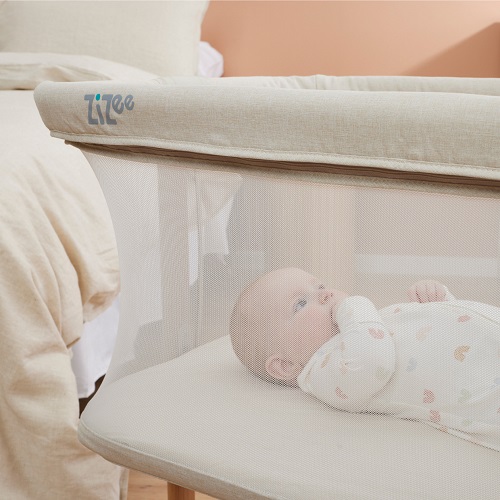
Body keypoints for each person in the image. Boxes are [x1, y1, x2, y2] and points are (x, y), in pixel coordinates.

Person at [230, 267, 500, 452]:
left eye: (319, 286)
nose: (325, 294)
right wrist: (353, 305)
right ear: (285, 365)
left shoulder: (361, 327)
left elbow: (449, 336)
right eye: (301, 303)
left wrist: (438, 301)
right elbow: (373, 363)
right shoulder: (324, 369)